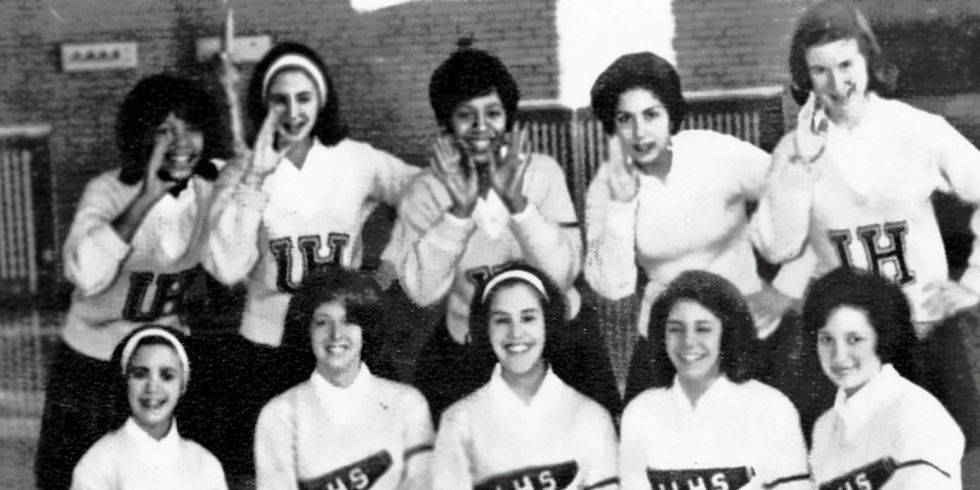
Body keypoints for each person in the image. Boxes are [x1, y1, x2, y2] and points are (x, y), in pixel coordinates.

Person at [750, 0, 980, 446]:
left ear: (868, 61)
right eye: (820, 70)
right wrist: (801, 166)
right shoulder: (795, 150)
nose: (837, 83)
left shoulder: (917, 130)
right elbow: (777, 247)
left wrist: (974, 282)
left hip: (922, 328)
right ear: (804, 76)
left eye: (846, 64)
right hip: (843, 341)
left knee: (947, 462)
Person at [205, 41, 420, 471]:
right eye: (279, 100)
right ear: (262, 104)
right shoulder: (242, 168)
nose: (293, 111)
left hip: (345, 337)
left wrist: (387, 269)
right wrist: (253, 180)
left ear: (322, 99)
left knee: (367, 464)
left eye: (304, 97)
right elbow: (226, 266)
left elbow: (428, 196)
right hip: (270, 345)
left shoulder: (356, 160)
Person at [382, 43, 620, 422]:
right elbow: (423, 293)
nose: (481, 127)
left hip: (557, 337)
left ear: (508, 117)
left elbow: (560, 278)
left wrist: (518, 204)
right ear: (446, 122)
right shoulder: (426, 188)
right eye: (466, 115)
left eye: (492, 113)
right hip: (472, 340)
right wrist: (458, 213)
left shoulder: (542, 173)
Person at [35, 73, 229, 490]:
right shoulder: (107, 191)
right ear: (141, 135)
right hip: (93, 367)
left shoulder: (206, 190)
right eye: (164, 130)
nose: (180, 143)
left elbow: (228, 267)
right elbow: (84, 275)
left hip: (161, 360)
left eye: (190, 128)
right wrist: (145, 200)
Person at [584, 51, 809, 403]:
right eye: (625, 118)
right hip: (666, 341)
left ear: (671, 115)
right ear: (612, 126)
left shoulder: (711, 152)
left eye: (651, 114)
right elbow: (613, 287)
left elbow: (791, 186)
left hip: (743, 333)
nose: (639, 131)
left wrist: (786, 282)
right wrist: (621, 206)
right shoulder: (605, 185)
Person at [432, 264, 619, 489]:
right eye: (502, 320)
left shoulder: (591, 417)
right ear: (485, 328)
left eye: (528, 318)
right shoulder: (458, 421)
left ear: (548, 323)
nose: (516, 333)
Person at [619, 270, 809, 490]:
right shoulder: (640, 412)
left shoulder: (772, 407)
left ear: (727, 333)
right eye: (675, 329)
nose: (688, 342)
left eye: (703, 329)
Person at [254, 269, 433, 490]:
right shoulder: (280, 414)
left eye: (348, 321)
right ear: (306, 330)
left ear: (366, 329)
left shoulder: (407, 404)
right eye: (322, 322)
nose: (336, 334)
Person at [803, 267, 964, 489]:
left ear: (883, 337)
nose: (838, 356)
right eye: (827, 339)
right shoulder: (825, 426)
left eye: (855, 339)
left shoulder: (917, 412)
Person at [71, 325, 227, 490]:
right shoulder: (99, 463)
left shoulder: (205, 464)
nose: (152, 387)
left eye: (167, 376)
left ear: (183, 385)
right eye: (140, 374)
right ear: (126, 382)